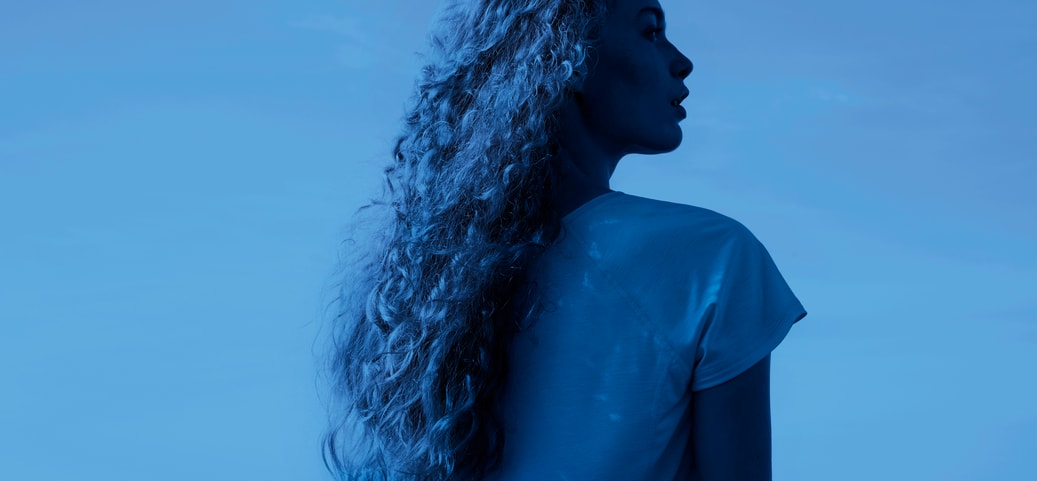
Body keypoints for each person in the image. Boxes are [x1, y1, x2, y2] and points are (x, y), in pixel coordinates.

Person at [319, 0, 808, 480]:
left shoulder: (424, 288)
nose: (682, 61)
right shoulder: (712, 260)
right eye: (649, 31)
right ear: (568, 58)